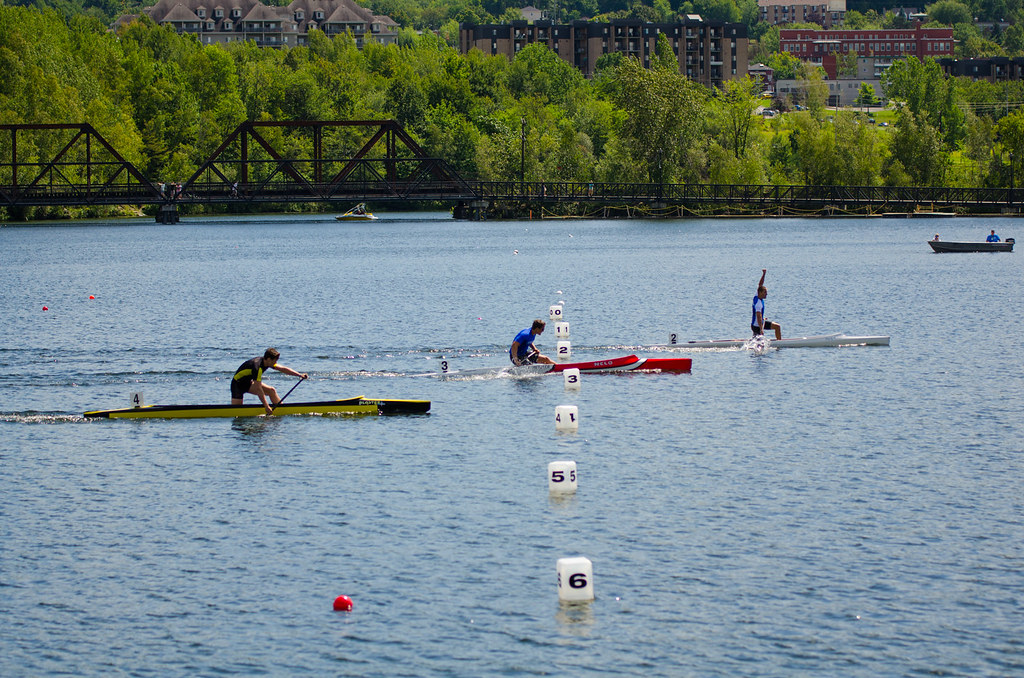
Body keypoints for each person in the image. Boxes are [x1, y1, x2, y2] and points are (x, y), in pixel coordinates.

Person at [231, 348, 308, 415]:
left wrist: (299, 375)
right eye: (275, 361)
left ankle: (281, 410)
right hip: (237, 385)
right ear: (268, 359)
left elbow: (283, 369)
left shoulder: (267, 362)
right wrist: (266, 406)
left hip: (248, 383)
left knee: (271, 391)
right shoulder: (257, 368)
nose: (275, 363)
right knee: (236, 414)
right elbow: (258, 389)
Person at [751, 269, 782, 341]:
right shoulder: (758, 303)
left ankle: (779, 342)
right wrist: (761, 329)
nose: (766, 294)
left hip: (756, 324)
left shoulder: (756, 296)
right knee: (759, 345)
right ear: (760, 292)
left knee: (777, 327)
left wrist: (764, 274)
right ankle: (779, 343)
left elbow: (760, 284)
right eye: (765, 293)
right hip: (757, 326)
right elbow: (758, 316)